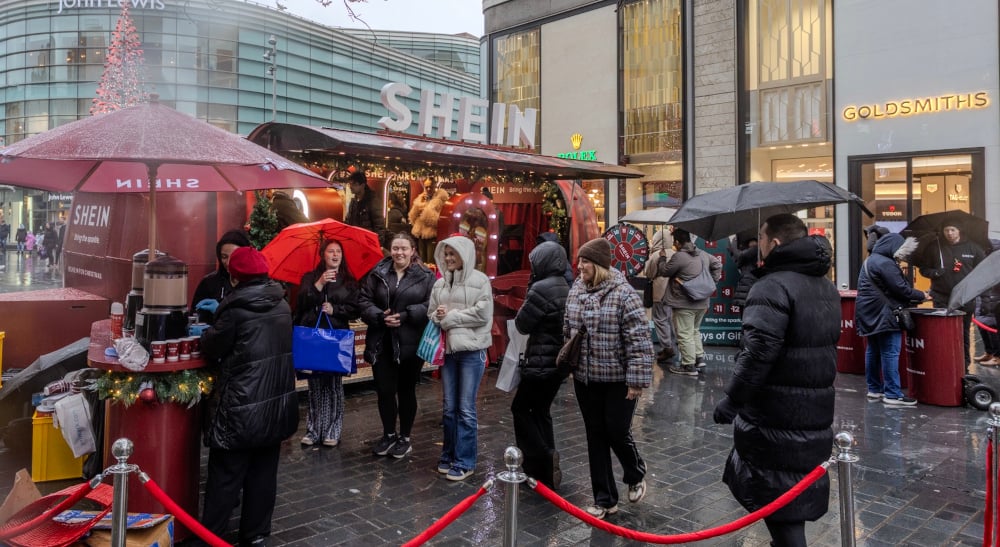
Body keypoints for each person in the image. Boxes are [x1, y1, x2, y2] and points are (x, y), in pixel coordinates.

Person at [713, 213, 840, 547]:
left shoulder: (771, 286)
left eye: (761, 238)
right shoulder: (824, 286)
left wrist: (732, 399)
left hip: (775, 411)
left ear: (775, 242)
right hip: (814, 407)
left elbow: (757, 354)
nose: (758, 245)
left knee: (779, 500)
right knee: (791, 494)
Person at [199, 246, 299, 547]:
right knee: (263, 474)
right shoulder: (281, 303)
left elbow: (212, 347)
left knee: (225, 476)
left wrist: (207, 329)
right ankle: (255, 533)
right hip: (276, 404)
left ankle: (211, 536)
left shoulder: (234, 310)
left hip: (240, 406)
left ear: (235, 277)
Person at [564, 237, 653, 519]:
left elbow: (639, 340)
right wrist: (570, 362)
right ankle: (604, 499)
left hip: (617, 379)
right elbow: (568, 327)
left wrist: (636, 380)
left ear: (599, 265)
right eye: (579, 261)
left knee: (616, 430)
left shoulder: (624, 294)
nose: (580, 267)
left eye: (586, 262)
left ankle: (635, 471)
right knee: (595, 434)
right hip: (586, 377)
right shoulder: (576, 289)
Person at [359, 232, 436, 459]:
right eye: (395, 248)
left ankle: (405, 437)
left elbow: (431, 304)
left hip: (410, 342)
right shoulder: (377, 272)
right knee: (384, 390)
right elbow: (363, 300)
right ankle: (388, 434)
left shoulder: (426, 275)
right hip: (381, 340)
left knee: (406, 390)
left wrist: (405, 315)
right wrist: (378, 315)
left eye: (404, 248)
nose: (399, 252)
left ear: (412, 250)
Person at [428, 235, 493, 481]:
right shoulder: (440, 284)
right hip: (448, 352)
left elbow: (483, 314)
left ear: (464, 255)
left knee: (465, 408)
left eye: (452, 253)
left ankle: (465, 461)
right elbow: (431, 313)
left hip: (471, 352)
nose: (448, 258)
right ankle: (448, 455)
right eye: (445, 254)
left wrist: (451, 317)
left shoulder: (480, 280)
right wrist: (438, 315)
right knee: (448, 408)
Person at [511, 240, 570, 487]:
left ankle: (542, 456)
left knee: (521, 409)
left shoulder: (540, 288)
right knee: (541, 411)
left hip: (539, 361)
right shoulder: (566, 285)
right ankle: (545, 469)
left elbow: (522, 324)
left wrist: (530, 289)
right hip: (558, 363)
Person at [294, 239, 360, 447]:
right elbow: (301, 303)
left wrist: (335, 310)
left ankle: (333, 430)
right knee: (314, 386)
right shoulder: (310, 277)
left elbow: (355, 309)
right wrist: (320, 283)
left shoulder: (349, 281)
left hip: (336, 339)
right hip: (313, 338)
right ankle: (314, 430)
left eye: (338, 251)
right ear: (323, 254)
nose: (335, 255)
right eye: (331, 251)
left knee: (333, 386)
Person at [855, 234, 929, 405]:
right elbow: (901, 289)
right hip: (885, 314)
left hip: (869, 313)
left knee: (873, 351)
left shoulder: (871, 260)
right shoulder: (885, 263)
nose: (901, 256)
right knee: (890, 352)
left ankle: (874, 389)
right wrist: (922, 295)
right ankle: (893, 394)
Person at [916, 221, 985, 369]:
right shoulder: (935, 247)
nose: (950, 233)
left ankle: (964, 364)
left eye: (953, 230)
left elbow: (982, 269)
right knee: (942, 332)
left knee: (963, 332)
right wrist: (934, 272)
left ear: (959, 230)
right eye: (947, 230)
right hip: (941, 296)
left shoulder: (972, 247)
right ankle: (944, 362)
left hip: (965, 297)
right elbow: (923, 269)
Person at [656, 228, 722, 376]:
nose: (674, 245)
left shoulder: (679, 256)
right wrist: (711, 283)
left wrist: (662, 258)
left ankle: (688, 365)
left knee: (685, 334)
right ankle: (699, 359)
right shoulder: (703, 254)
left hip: (683, 302)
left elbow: (664, 271)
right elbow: (718, 265)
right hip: (702, 302)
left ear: (678, 242)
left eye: (674, 242)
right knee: (694, 331)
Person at [191, 229, 252, 322]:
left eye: (234, 256)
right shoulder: (209, 282)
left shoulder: (254, 284)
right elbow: (195, 315)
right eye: (224, 257)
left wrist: (221, 310)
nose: (228, 262)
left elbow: (254, 321)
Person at [643, 228, 677, 364]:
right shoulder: (675, 254)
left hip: (659, 291)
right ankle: (670, 345)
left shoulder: (656, 255)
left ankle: (667, 347)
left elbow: (648, 273)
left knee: (660, 319)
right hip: (674, 292)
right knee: (669, 319)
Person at [409, 179, 450, 264]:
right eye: (426, 187)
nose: (428, 189)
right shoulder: (421, 198)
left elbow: (440, 220)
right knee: (421, 262)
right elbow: (412, 217)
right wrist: (419, 205)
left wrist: (425, 211)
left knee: (431, 262)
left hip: (432, 235)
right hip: (421, 235)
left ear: (435, 187)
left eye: (430, 187)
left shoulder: (441, 200)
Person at [344, 170, 385, 236]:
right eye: (350, 184)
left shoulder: (373, 201)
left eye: (354, 184)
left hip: (367, 239)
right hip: (355, 238)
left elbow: (379, 227)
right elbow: (348, 222)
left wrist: (378, 241)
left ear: (362, 185)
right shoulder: (353, 202)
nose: (351, 187)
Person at [729, 235, 758, 312]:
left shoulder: (756, 250)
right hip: (746, 287)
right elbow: (737, 260)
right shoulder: (747, 255)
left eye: (754, 241)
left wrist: (734, 241)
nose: (752, 243)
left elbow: (739, 256)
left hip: (750, 287)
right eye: (750, 241)